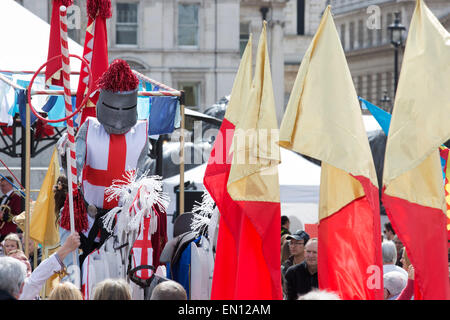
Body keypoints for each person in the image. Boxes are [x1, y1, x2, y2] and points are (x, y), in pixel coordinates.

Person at [0, 176, 22, 242]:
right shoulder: (2, 198)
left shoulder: (16, 198)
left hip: (9, 232)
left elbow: (18, 216)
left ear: (10, 185)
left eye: (3, 186)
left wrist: (4, 216)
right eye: (1, 186)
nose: (1, 188)